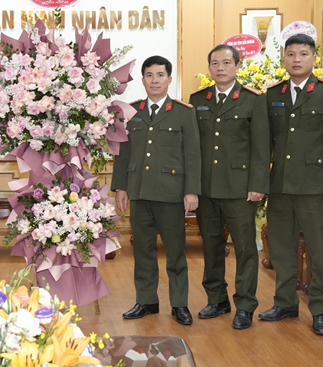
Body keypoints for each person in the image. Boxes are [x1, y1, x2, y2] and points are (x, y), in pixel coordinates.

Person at [258, 33, 323, 336]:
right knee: (282, 249)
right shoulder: (273, 93)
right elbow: (265, 144)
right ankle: (285, 303)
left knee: (319, 251)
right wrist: (262, 182)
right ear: (284, 58)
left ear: (314, 58)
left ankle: (321, 309)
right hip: (281, 186)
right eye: (291, 54)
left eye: (303, 54)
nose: (296, 59)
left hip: (315, 187)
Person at [111, 55, 201, 325]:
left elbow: (193, 154)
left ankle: (179, 304)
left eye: (160, 75)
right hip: (139, 191)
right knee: (143, 251)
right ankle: (146, 301)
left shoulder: (184, 112)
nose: (155, 80)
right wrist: (121, 187)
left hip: (171, 193)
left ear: (169, 79)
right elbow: (123, 152)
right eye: (149, 75)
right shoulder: (132, 111)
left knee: (175, 252)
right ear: (143, 79)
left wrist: (191, 190)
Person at [189, 44, 270, 330]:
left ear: (237, 66)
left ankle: (245, 305)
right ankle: (217, 299)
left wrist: (257, 184)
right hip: (207, 187)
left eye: (226, 62)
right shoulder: (198, 99)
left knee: (245, 249)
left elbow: (261, 147)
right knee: (211, 246)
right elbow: (193, 147)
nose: (220, 68)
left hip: (240, 188)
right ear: (209, 68)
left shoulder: (252, 100)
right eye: (215, 63)